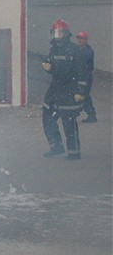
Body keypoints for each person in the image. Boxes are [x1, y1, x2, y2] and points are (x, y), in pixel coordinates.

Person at [41, 19, 89, 160]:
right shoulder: (53, 49)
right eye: (56, 32)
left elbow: (82, 73)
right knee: (47, 115)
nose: (58, 35)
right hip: (55, 88)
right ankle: (56, 147)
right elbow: (50, 64)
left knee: (68, 121)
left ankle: (74, 153)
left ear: (67, 33)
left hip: (70, 89)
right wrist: (46, 67)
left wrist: (80, 91)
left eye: (61, 32)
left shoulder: (74, 50)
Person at [75, 31, 97, 123]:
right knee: (83, 94)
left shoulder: (87, 51)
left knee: (83, 95)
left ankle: (91, 114)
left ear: (86, 40)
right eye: (79, 38)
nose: (80, 40)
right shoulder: (81, 49)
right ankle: (89, 114)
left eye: (82, 38)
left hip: (85, 76)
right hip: (83, 76)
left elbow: (82, 63)